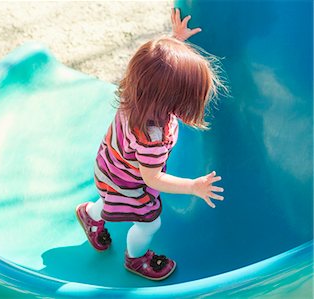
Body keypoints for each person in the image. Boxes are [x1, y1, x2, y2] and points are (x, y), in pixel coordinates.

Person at [76, 8, 227, 281]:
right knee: (149, 224)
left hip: (110, 166)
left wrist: (175, 40)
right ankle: (135, 259)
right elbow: (153, 178)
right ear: (172, 101)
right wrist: (193, 186)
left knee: (109, 199)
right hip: (130, 182)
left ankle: (89, 214)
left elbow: (155, 70)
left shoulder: (135, 92)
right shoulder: (152, 137)